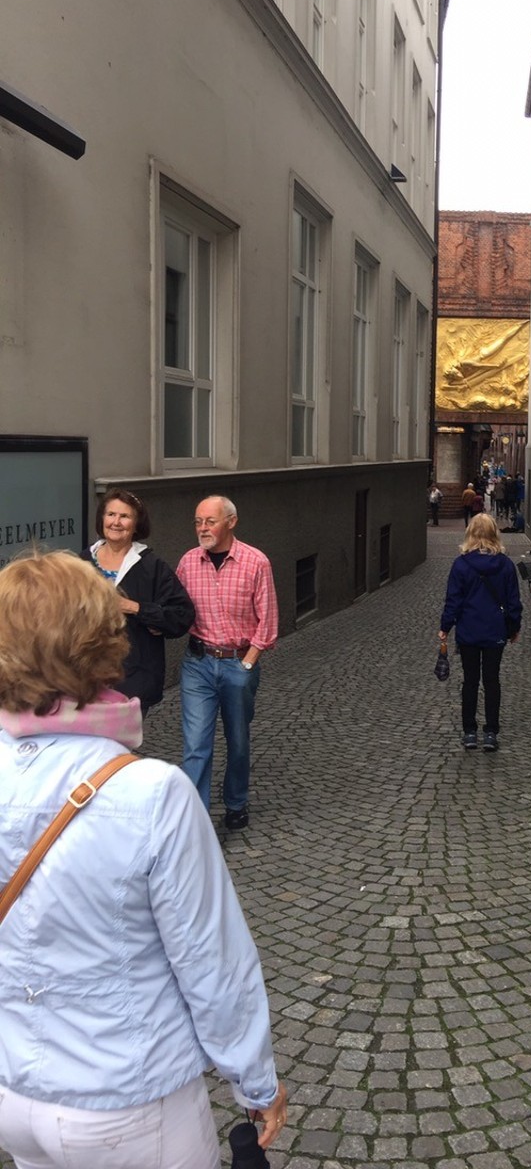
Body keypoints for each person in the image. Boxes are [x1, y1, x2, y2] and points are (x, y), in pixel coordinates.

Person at [0, 551, 287, 1169]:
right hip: (129, 1098)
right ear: (104, 644)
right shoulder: (151, 794)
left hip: (14, 1093)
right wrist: (255, 1083)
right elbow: (212, 963)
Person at [177, 496, 278, 830]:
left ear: (231, 522)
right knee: (195, 744)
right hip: (197, 664)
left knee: (238, 740)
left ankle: (236, 802)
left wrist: (248, 664)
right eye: (197, 522)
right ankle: (196, 818)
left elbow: (268, 621)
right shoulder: (189, 562)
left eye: (210, 521)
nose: (202, 528)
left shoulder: (256, 562)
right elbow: (176, 608)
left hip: (238, 663)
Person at [87, 487, 195, 715]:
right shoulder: (81, 563)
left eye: (124, 516)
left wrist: (135, 608)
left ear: (136, 524)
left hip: (132, 679)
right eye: (111, 514)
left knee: (123, 749)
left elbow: (181, 616)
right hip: (83, 678)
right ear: (101, 519)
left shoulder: (151, 567)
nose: (116, 522)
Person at [439, 512, 522, 753]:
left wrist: (445, 627)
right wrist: (513, 627)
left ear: (471, 534)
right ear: (494, 533)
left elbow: (453, 600)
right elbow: (513, 601)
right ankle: (491, 733)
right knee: (492, 680)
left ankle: (469, 732)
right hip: (495, 631)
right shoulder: (505, 565)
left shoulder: (461, 564)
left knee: (470, 681)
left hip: (468, 631)